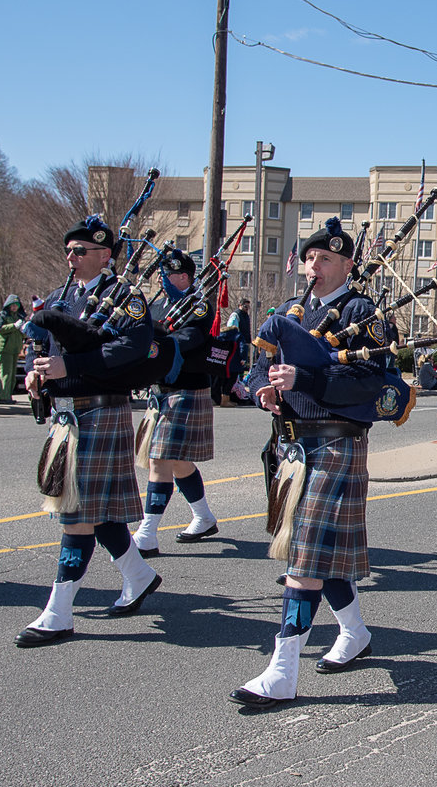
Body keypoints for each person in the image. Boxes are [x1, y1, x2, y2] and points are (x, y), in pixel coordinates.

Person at [230, 218, 387, 709]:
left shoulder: (361, 311)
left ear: (346, 265)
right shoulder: (289, 312)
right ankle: (356, 631)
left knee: (304, 555)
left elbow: (371, 381)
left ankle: (282, 671)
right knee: (323, 551)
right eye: (310, 259)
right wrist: (263, 389)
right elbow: (257, 365)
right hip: (293, 445)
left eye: (326, 259)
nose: (314, 266)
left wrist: (305, 379)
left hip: (337, 440)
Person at [16, 215, 158, 647]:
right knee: (96, 511)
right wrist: (32, 372)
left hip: (101, 409)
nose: (72, 257)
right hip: (66, 414)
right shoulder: (60, 298)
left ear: (105, 255)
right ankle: (139, 574)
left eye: (81, 251)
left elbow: (133, 345)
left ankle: (58, 613)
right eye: (70, 251)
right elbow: (39, 345)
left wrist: (70, 367)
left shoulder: (125, 296)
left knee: (76, 515)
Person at [130, 249, 220, 558]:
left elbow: (187, 340)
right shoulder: (159, 304)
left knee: (159, 460)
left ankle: (147, 532)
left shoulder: (199, 306)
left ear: (183, 276)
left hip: (187, 388)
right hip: (161, 389)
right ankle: (204, 517)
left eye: (166, 276)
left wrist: (156, 338)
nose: (162, 280)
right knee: (178, 462)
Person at [0, 295, 27, 403]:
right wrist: (14, 326)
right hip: (5, 348)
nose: (14, 307)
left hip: (15, 348)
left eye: (16, 305)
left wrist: (24, 330)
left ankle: (9, 395)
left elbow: (23, 335)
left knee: (12, 375)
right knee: (5, 374)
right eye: (12, 305)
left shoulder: (19, 317)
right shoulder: (2, 315)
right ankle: (4, 397)